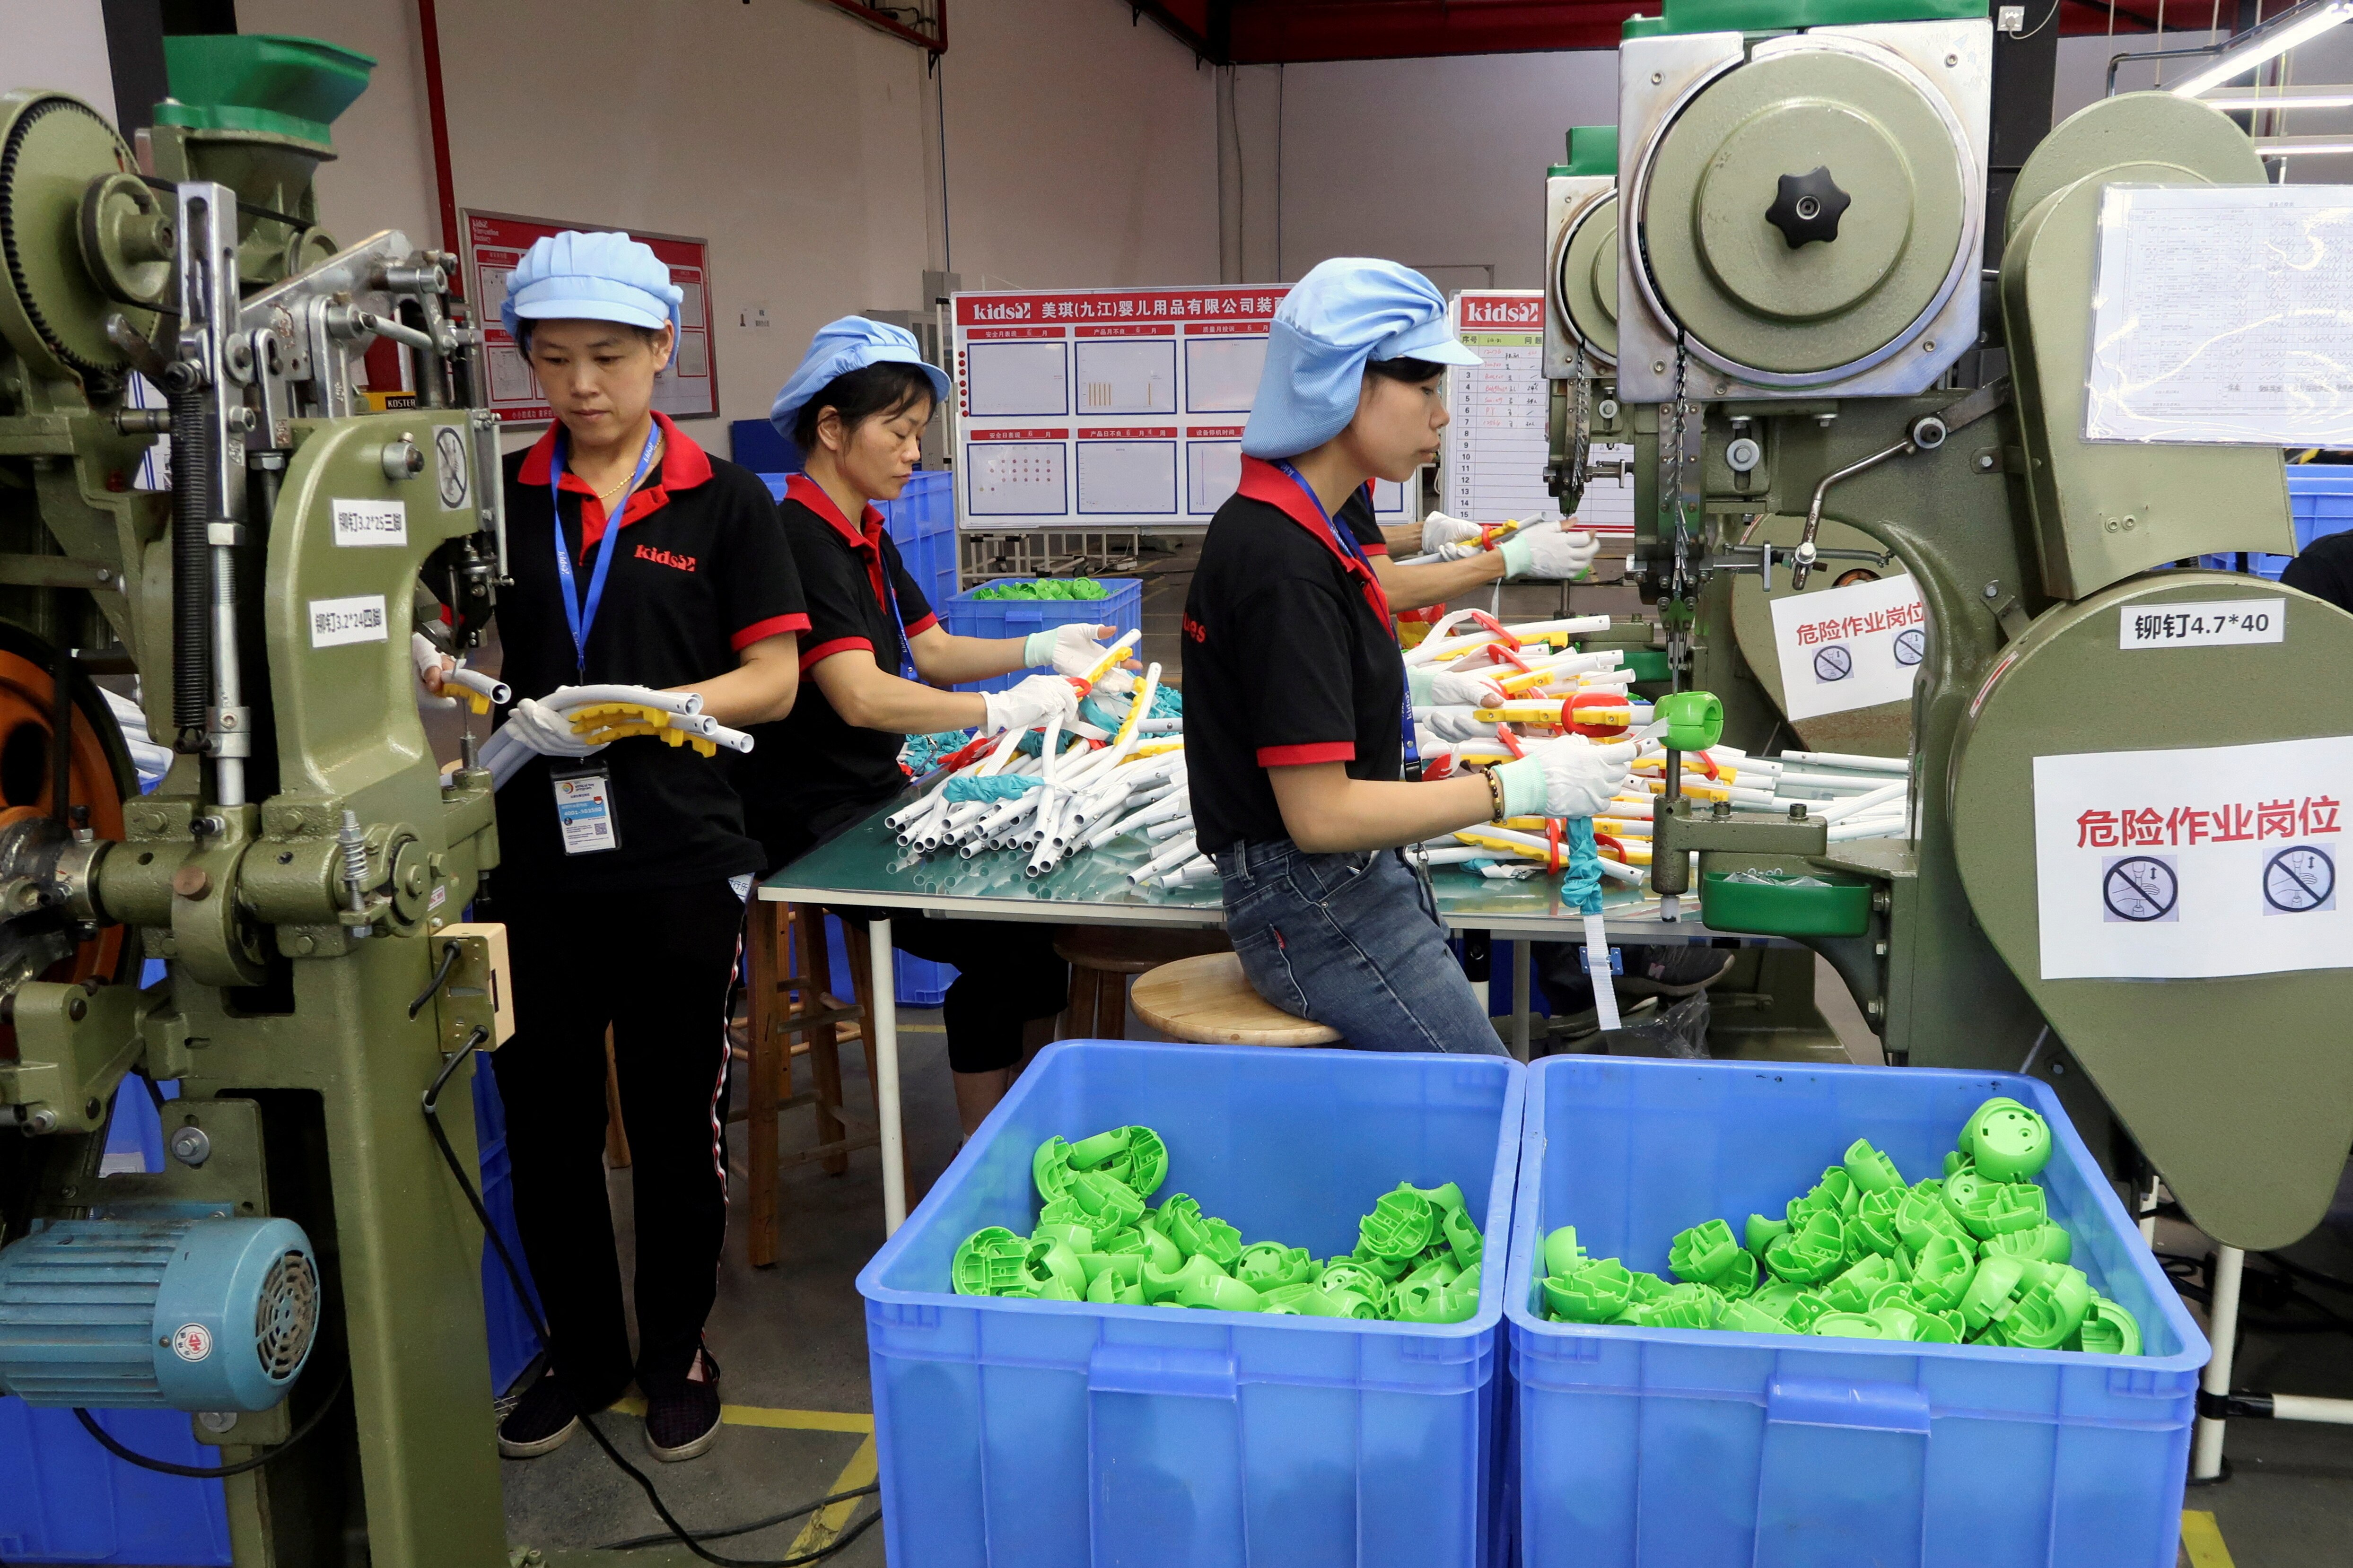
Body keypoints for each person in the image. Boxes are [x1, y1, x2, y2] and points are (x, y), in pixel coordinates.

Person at [455, 231, 807, 1465]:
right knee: (543, 1117)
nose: (581, 384)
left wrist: (660, 709)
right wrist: (477, 696)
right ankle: (583, 1352)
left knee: (671, 1118)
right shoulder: (495, 497)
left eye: (608, 355)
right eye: (552, 359)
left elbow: (774, 679)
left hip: (675, 853)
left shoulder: (725, 502)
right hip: (532, 862)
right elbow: (431, 643)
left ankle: (674, 1351)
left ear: (664, 348)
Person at [1181, 258, 1634, 1051]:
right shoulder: (1282, 559)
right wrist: (1514, 787)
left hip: (1352, 878)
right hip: (1314, 897)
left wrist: (1397, 684)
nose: (1443, 416)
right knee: (1485, 1099)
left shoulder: (1303, 529)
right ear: (1349, 385)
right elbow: (1322, 816)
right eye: (1426, 389)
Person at [741, 317, 1114, 1135]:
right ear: (833, 429)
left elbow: (934, 650)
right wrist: (1002, 709)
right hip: (818, 823)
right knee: (1009, 943)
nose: (915, 453)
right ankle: (998, 1150)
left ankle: (1034, 1123)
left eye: (919, 434)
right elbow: (863, 699)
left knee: (1037, 917)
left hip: (874, 792)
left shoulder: (863, 530)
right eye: (900, 432)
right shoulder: (799, 539)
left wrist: (1041, 647)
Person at [1338, 492, 1599, 613]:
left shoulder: (1349, 484)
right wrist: (1508, 559)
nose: (1442, 417)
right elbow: (1385, 591)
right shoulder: (1323, 471)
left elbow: (1338, 540)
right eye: (1425, 392)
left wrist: (1424, 535)